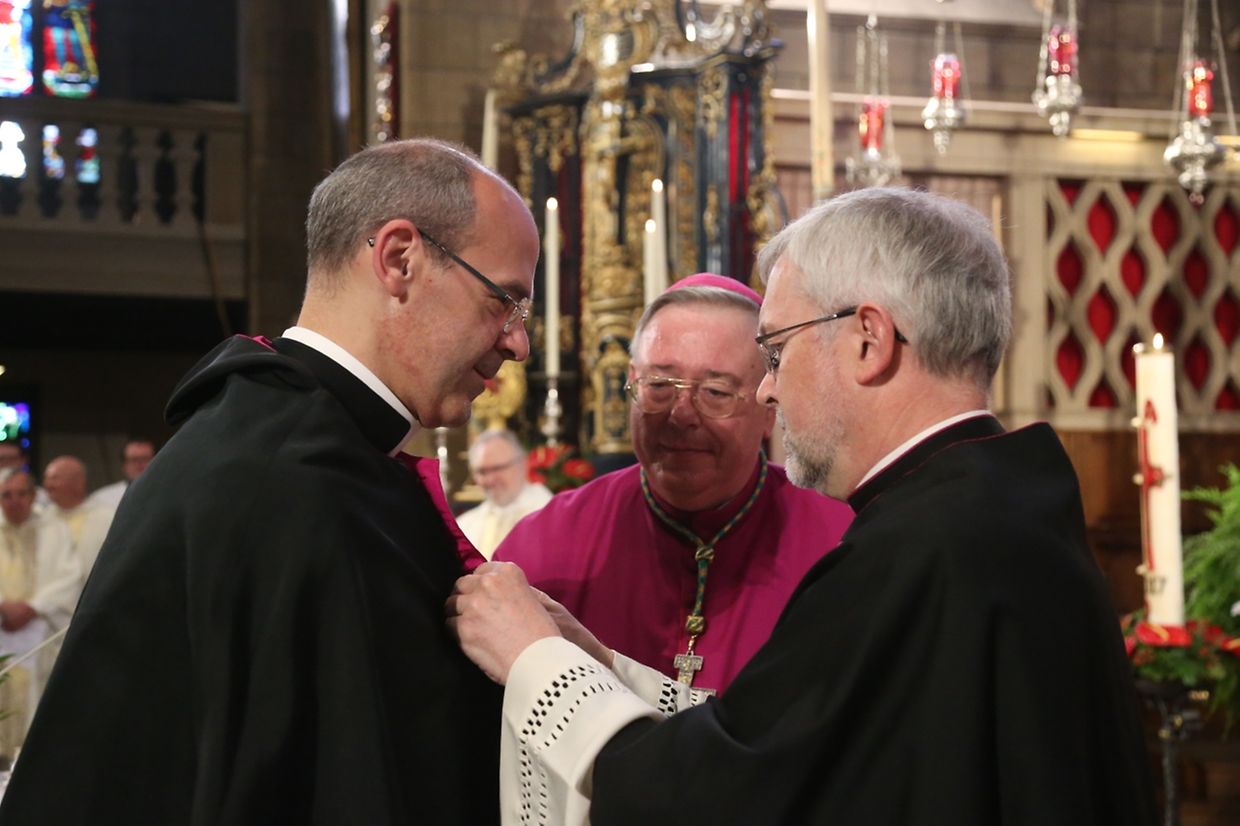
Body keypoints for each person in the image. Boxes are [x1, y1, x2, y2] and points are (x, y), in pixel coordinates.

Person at [450, 188, 1157, 826]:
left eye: (777, 351)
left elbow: (721, 795)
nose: (768, 393)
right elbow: (802, 747)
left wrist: (535, 660)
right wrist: (603, 662)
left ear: (869, 341)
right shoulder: (998, 506)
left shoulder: (915, 554)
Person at [0, 138, 540, 825]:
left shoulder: (272, 440)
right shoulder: (293, 481)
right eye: (505, 301)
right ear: (400, 260)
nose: (518, 341)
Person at [494, 273, 853, 694]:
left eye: (716, 391)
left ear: (769, 403)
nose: (680, 415)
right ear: (631, 380)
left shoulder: (842, 542)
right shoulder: (544, 547)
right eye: (660, 386)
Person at [0, 469, 80, 761]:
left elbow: (69, 576)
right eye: (7, 495)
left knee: (38, 700)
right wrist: (3, 606)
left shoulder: (53, 529)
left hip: (39, 631)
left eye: (22, 494)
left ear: (34, 496)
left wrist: (34, 606)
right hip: (2, 629)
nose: (15, 501)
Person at [456, 429, 552, 559]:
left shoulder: (549, 514)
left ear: (523, 463)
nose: (490, 480)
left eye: (497, 468)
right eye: (482, 472)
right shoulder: (464, 526)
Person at [42, 455, 114, 581]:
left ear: (78, 482)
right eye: (46, 479)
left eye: (55, 478)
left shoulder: (107, 518)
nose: (48, 484)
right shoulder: (42, 518)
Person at [87, 437, 156, 511]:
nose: (139, 464)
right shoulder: (101, 498)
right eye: (134, 459)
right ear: (124, 465)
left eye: (145, 459)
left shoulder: (168, 492)